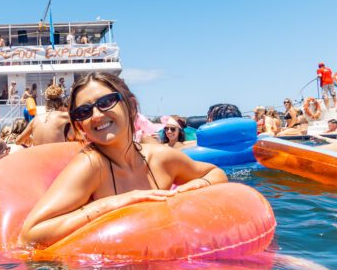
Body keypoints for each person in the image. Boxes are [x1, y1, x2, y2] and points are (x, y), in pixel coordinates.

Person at [19, 72, 227, 247]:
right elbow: (31, 234)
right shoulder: (91, 166)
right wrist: (114, 203)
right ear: (80, 126)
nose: (97, 115)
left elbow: (215, 173)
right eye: (84, 111)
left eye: (106, 102)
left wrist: (186, 190)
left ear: (131, 105)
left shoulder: (160, 158)